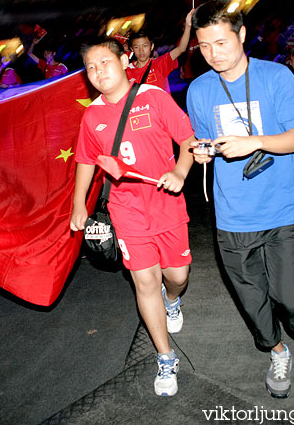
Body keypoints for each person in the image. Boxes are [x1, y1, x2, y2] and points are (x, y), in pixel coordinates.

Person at [186, 0, 294, 399]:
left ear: (242, 35)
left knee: (289, 297)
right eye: (204, 46)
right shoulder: (198, 90)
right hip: (233, 214)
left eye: (221, 43)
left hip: (281, 207)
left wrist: (254, 142)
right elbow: (201, 141)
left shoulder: (276, 76)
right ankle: (277, 351)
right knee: (252, 301)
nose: (213, 54)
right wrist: (200, 152)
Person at [69, 38, 195, 397]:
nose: (98, 72)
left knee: (177, 275)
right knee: (144, 282)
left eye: (105, 63)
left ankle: (173, 299)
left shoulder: (153, 97)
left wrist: (181, 173)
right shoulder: (91, 115)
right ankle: (165, 357)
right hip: (126, 211)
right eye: (91, 68)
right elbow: (85, 161)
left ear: (125, 61)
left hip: (166, 203)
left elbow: (187, 140)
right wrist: (79, 204)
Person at [126, 10, 194, 94]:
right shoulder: (127, 70)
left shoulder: (160, 64)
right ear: (132, 49)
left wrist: (188, 26)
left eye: (145, 46)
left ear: (152, 47)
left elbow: (181, 49)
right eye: (136, 47)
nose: (141, 50)